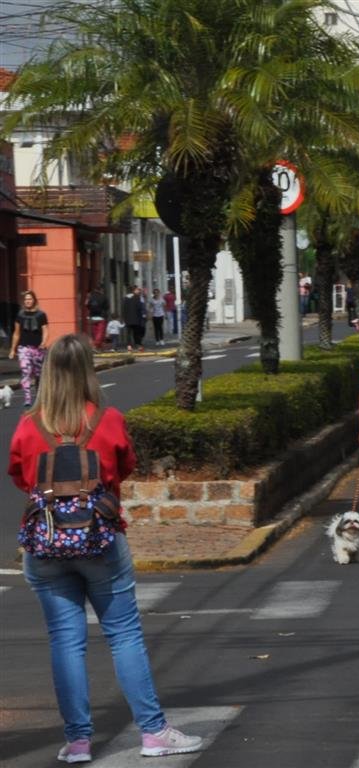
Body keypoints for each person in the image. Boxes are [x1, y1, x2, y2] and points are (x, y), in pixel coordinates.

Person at [7, 334, 203, 762]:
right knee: (123, 635)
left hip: (46, 543)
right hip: (100, 541)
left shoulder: (29, 423)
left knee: (64, 641)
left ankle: (77, 741)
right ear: (87, 372)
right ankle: (153, 733)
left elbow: (20, 477)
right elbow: (125, 467)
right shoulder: (108, 419)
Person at [9, 290, 49, 407]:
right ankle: (27, 398)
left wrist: (43, 342)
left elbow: (45, 331)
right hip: (24, 348)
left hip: (38, 349)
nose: (28, 301)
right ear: (24, 301)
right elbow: (16, 333)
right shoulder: (20, 315)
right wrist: (13, 349)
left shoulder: (41, 315)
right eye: (26, 299)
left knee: (38, 374)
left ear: (34, 300)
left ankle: (39, 395)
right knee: (25, 372)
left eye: (30, 299)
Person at [120, 286, 146, 352]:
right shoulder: (137, 297)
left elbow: (123, 308)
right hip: (136, 318)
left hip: (128, 318)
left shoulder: (126, 298)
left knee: (128, 333)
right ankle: (138, 345)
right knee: (136, 333)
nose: (139, 291)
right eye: (137, 290)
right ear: (134, 290)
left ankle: (129, 346)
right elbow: (139, 308)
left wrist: (123, 318)